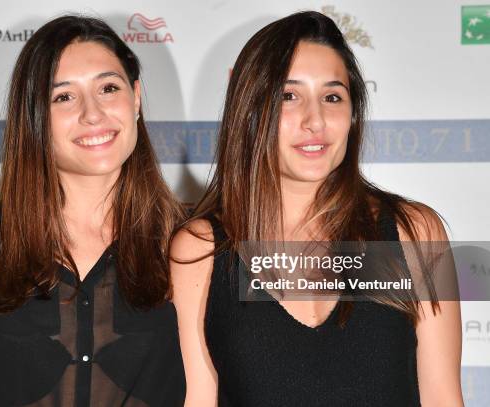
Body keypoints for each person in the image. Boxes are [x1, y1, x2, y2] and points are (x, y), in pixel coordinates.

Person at [171, 11, 463, 407]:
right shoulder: (202, 249)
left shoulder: (412, 232)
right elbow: (197, 399)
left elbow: (443, 398)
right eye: (289, 96)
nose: (316, 120)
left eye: (332, 97)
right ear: (251, 112)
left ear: (352, 115)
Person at [0, 15, 185, 407]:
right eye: (63, 96)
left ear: (135, 97)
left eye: (108, 88)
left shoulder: (191, 241)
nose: (92, 114)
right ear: (35, 116)